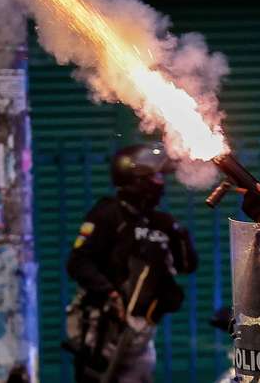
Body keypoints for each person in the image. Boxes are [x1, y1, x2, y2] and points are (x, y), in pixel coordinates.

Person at [65, 143, 198, 383]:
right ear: (136, 179)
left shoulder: (161, 222)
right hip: (103, 327)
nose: (160, 182)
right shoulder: (107, 214)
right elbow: (78, 262)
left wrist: (179, 235)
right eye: (154, 176)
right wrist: (111, 293)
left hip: (140, 332)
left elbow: (186, 266)